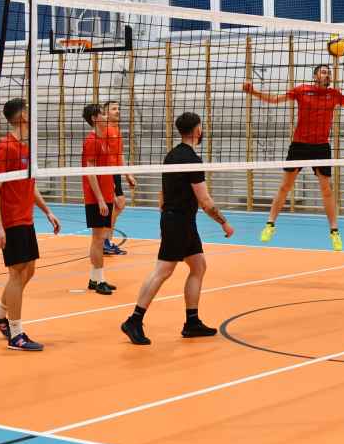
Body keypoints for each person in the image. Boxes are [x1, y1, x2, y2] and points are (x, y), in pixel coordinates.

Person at [242, 65, 344, 251]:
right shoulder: (302, 90)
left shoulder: (334, 94)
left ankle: (334, 232)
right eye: (323, 72)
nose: (327, 75)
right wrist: (253, 92)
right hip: (299, 145)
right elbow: (274, 99)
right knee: (285, 187)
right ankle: (270, 224)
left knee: (326, 189)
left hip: (321, 147)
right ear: (315, 76)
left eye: (328, 73)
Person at [120, 112, 234, 345]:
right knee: (162, 271)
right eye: (201, 127)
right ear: (197, 130)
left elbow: (162, 192)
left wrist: (166, 216)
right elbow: (205, 201)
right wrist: (223, 222)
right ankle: (134, 320)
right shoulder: (191, 159)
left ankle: (192, 322)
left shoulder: (171, 155)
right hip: (179, 221)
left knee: (198, 266)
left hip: (179, 220)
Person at [0, 98, 61, 351]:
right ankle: (16, 334)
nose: (32, 115)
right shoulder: (6, 147)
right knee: (17, 273)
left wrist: (48, 211)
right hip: (12, 220)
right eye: (29, 112)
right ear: (22, 118)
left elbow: (30, 185)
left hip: (26, 219)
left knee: (29, 270)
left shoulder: (25, 148)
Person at [81, 103, 117, 295]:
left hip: (106, 194)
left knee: (99, 238)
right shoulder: (92, 141)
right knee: (97, 239)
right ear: (94, 118)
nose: (106, 116)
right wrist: (101, 199)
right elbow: (90, 172)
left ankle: (94, 280)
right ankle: (100, 280)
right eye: (102, 114)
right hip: (96, 198)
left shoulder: (104, 139)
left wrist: (111, 190)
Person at [102, 100, 137, 256]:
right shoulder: (105, 131)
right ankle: (105, 240)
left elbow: (119, 154)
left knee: (119, 204)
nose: (117, 111)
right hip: (108, 172)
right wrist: (108, 178)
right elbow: (103, 156)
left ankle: (107, 240)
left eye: (118, 108)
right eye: (113, 109)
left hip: (115, 171)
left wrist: (127, 174)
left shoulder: (117, 129)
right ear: (105, 113)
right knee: (117, 204)